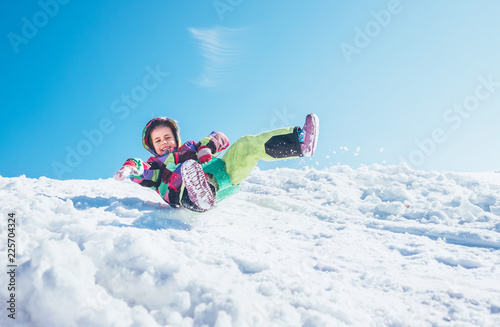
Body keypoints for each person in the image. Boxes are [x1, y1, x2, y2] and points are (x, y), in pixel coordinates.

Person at [114, 113, 319, 212]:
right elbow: (144, 170)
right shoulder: (157, 165)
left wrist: (206, 148)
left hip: (224, 175)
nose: (164, 143)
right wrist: (131, 167)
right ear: (152, 147)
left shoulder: (191, 147)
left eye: (167, 137)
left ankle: (300, 143)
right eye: (157, 141)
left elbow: (220, 137)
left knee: (246, 145)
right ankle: (199, 194)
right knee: (187, 171)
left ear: (175, 138)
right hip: (182, 192)